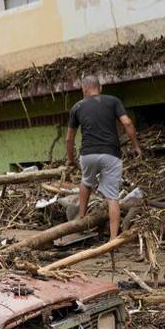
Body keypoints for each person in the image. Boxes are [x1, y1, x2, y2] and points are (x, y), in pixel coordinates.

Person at [65, 75, 143, 241]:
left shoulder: (77, 106)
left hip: (88, 154)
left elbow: (69, 139)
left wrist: (71, 159)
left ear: (84, 90)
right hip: (111, 154)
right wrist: (136, 146)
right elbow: (127, 123)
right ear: (100, 88)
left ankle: (81, 221)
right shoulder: (113, 101)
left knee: (86, 182)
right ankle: (114, 239)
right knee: (112, 196)